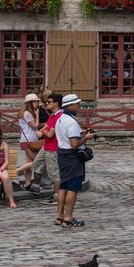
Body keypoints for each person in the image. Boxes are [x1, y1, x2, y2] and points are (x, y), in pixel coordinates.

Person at [54, 94, 96, 228]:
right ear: (70, 105)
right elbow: (74, 144)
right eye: (77, 103)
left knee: (63, 186)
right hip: (72, 156)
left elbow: (66, 137)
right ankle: (68, 218)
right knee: (72, 188)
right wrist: (87, 138)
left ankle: (59, 216)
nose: (79, 105)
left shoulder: (60, 119)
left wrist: (81, 133)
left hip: (62, 154)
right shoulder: (71, 122)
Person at [32, 93, 62, 201]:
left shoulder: (58, 116)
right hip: (46, 146)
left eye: (49, 102)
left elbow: (49, 134)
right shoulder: (53, 115)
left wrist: (42, 132)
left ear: (56, 103)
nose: (46, 104)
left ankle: (57, 196)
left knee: (54, 174)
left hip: (53, 148)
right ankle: (36, 186)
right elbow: (46, 126)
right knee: (36, 164)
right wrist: (40, 131)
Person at [15, 93, 42, 192]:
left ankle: (27, 183)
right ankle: (15, 171)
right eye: (35, 101)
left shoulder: (26, 113)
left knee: (29, 162)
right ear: (30, 103)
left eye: (37, 101)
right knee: (38, 161)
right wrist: (37, 116)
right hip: (29, 141)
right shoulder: (27, 113)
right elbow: (34, 126)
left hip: (27, 140)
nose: (37, 103)